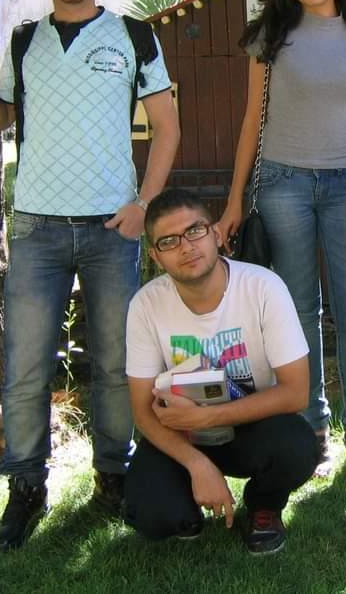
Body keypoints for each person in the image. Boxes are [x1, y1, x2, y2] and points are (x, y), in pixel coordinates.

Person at [0, 0, 181, 549]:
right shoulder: (23, 41)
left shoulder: (133, 36)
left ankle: (114, 476)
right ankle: (26, 488)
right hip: (37, 227)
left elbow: (168, 127)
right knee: (25, 368)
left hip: (111, 229)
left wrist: (144, 204)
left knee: (116, 363)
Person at [217, 0, 346, 484]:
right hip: (282, 183)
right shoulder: (272, 34)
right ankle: (313, 429)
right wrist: (234, 201)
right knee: (298, 312)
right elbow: (252, 120)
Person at [123, 188, 317, 554]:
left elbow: (296, 393)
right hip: (183, 434)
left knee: (298, 446)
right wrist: (197, 464)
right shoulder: (145, 305)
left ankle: (263, 506)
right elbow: (142, 411)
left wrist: (208, 417)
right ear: (155, 256)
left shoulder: (262, 287)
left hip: (251, 427)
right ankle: (188, 508)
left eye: (194, 231)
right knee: (151, 515)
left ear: (215, 234)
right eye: (169, 241)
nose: (186, 247)